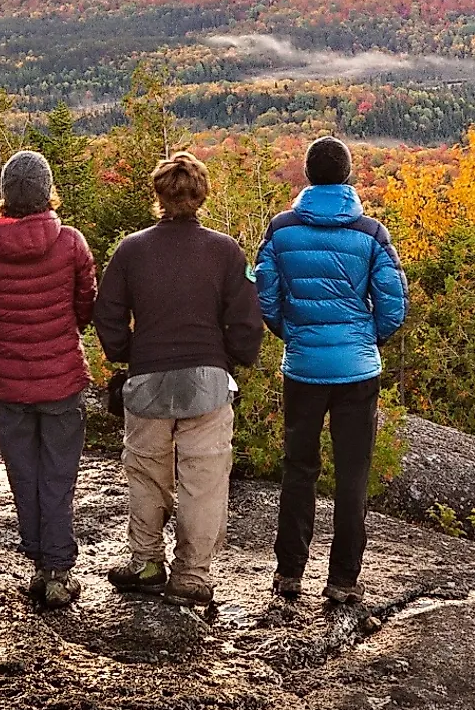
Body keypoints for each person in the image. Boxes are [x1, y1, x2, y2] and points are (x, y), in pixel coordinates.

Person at [93, 151, 263, 608]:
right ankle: (192, 574)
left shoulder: (132, 249)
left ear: (159, 195)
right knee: (203, 480)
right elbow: (247, 321)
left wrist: (127, 353)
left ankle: (147, 561)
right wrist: (230, 360)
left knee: (146, 472)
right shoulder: (225, 250)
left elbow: (106, 311)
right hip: (209, 381)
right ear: (202, 196)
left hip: (147, 378)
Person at [256, 135, 408, 607]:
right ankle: (343, 579)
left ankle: (289, 574)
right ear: (346, 176)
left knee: (298, 468)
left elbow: (266, 293)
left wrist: (293, 333)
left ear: (308, 175)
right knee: (352, 474)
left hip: (302, 367)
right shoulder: (371, 232)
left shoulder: (281, 230)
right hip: (357, 370)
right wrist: (369, 339)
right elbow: (393, 302)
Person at [0, 148, 97, 609]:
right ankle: (58, 570)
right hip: (62, 378)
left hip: (9, 380)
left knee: (23, 475)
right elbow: (87, 306)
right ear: (47, 193)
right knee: (58, 476)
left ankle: (40, 564)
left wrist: (14, 338)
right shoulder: (70, 243)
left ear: (6, 195)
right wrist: (60, 334)